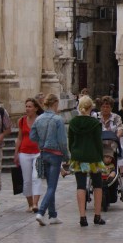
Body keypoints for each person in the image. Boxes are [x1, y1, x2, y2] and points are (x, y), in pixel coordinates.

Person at [68, 95, 107, 227]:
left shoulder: (73, 122)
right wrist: (101, 157)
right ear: (91, 107)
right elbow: (98, 142)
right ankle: (97, 215)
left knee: (80, 185)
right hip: (93, 156)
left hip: (78, 157)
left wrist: (74, 152)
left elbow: (70, 141)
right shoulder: (95, 123)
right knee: (97, 185)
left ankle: (82, 217)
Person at [31, 93, 69, 226]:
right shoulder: (58, 119)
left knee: (49, 186)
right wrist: (66, 156)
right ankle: (41, 212)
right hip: (55, 154)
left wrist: (42, 141)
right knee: (52, 186)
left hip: (43, 153)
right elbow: (63, 141)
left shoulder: (38, 119)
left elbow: (32, 136)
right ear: (55, 104)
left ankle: (53, 215)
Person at [14, 97, 43, 213]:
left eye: (30, 107)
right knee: (27, 180)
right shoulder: (21, 121)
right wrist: (16, 153)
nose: (27, 109)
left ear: (36, 108)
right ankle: (30, 204)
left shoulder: (40, 120)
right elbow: (19, 138)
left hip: (38, 153)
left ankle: (35, 204)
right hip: (24, 153)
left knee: (36, 177)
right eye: (26, 106)